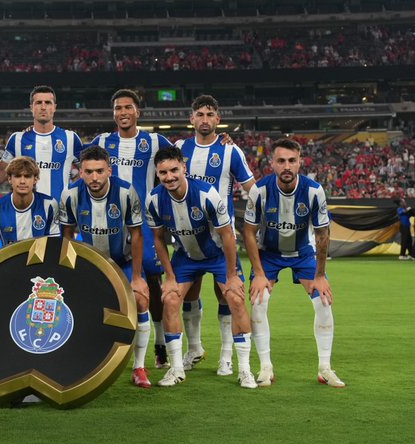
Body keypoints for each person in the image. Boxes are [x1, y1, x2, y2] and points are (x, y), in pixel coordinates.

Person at [146, 146, 256, 389]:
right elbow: (158, 240)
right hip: (185, 257)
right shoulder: (154, 199)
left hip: (218, 255)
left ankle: (245, 370)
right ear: (157, 173)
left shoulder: (207, 194)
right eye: (163, 172)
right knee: (170, 299)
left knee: (235, 298)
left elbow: (228, 235)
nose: (169, 177)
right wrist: (170, 277)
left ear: (183, 168)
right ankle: (176, 369)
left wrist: (231, 275)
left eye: (174, 170)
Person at [243, 138, 345, 388]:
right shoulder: (259, 190)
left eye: (292, 160)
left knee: (324, 300)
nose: (286, 166)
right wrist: (259, 273)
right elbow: (248, 232)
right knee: (258, 300)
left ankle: (325, 368)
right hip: (270, 253)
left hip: (303, 253)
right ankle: (265, 367)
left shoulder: (314, 191)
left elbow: (322, 235)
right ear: (272, 164)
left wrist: (320, 275)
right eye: (281, 161)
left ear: (300, 163)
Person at [87, 89, 173, 369]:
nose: (123, 112)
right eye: (118, 108)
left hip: (145, 223)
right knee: (101, 280)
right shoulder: (102, 141)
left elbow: (178, 161)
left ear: (138, 111)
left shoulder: (154, 141)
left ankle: (160, 343)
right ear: (113, 113)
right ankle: (103, 345)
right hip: (107, 222)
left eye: (128, 107)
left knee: (152, 281)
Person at [174, 95, 255, 376]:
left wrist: (260, 219)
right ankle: (194, 348)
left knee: (227, 296)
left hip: (222, 241)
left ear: (218, 119)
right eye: (200, 114)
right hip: (188, 238)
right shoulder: (180, 148)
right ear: (192, 119)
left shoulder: (231, 151)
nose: (205, 119)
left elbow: (252, 189)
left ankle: (226, 356)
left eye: (210, 114)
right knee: (189, 294)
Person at [60, 146, 152, 388]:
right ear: (80, 172)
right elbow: (67, 235)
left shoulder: (125, 192)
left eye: (100, 171)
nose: (94, 177)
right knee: (76, 306)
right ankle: (81, 362)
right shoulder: (70, 194)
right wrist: (71, 271)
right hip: (91, 264)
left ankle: (139, 367)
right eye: (89, 172)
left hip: (123, 262)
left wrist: (138, 277)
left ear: (109, 171)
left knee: (141, 300)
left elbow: (136, 234)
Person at [0, 85, 83, 199]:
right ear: (31, 107)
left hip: (61, 209)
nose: (43, 107)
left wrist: (75, 191)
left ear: (54, 107)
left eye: (48, 103)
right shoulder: (17, 139)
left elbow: (87, 170)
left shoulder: (71, 138)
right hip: (28, 209)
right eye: (38, 103)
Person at [0, 156, 60, 255]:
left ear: (35, 179)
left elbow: (53, 248)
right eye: (17, 176)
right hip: (10, 263)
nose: (22, 181)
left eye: (27, 176)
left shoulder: (49, 205)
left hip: (41, 264)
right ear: (9, 179)